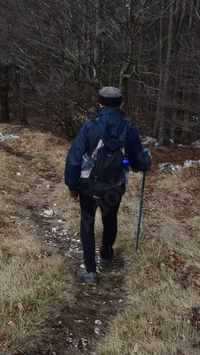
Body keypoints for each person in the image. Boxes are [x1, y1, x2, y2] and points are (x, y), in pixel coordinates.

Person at [64, 86, 151, 285]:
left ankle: (90, 271)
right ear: (121, 105)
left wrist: (72, 186)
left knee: (87, 223)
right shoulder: (129, 130)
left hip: (88, 186)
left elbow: (74, 158)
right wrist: (147, 159)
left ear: (100, 104)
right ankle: (105, 257)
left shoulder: (90, 126)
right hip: (115, 187)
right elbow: (140, 163)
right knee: (110, 218)